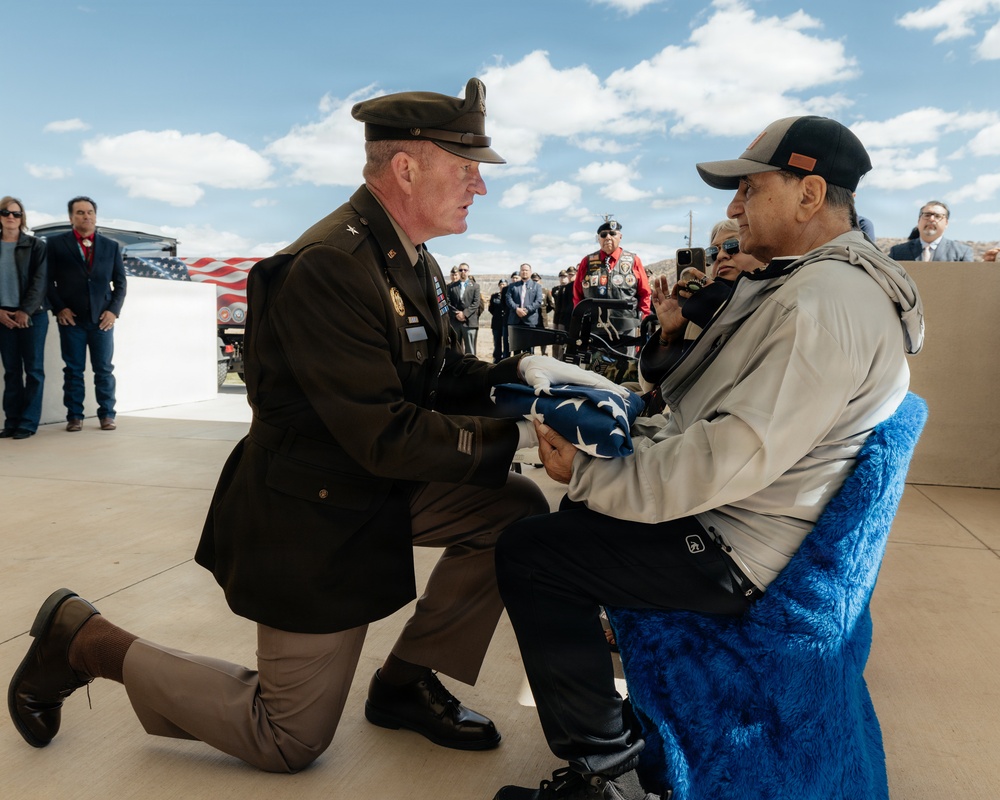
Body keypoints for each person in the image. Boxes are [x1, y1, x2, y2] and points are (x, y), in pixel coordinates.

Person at [7, 78, 628, 775]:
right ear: (406, 168)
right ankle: (82, 639)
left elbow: (434, 371)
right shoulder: (333, 265)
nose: (479, 186)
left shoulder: (406, 254)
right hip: (315, 511)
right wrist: (525, 435)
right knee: (287, 738)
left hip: (372, 484)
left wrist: (518, 375)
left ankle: (404, 683)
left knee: (511, 509)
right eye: (466, 169)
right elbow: (382, 433)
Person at [491, 115, 924, 800]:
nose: (735, 208)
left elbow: (730, 458)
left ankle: (604, 767)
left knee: (533, 554)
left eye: (750, 189)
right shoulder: (815, 285)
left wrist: (591, 471)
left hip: (739, 542)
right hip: (755, 515)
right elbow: (717, 418)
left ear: (810, 195)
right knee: (567, 529)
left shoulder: (823, 302)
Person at [46, 196, 126, 431]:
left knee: (104, 370)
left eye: (90, 212)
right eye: (80, 212)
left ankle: (107, 415)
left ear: (95, 216)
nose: (86, 216)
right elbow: (47, 281)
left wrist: (113, 311)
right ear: (71, 217)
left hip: (102, 320)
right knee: (73, 371)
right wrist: (60, 308)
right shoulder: (55, 244)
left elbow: (120, 283)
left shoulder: (111, 246)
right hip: (71, 320)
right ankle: (74, 416)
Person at [0, 196, 48, 440]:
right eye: (6, 212)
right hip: (3, 316)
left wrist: (25, 311)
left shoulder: (35, 245)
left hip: (32, 316)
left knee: (34, 370)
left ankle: (28, 423)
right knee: (11, 371)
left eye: (16, 213)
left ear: (22, 217)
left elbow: (41, 281)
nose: (11, 217)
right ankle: (12, 422)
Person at [572, 219, 650, 336]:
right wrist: (579, 319)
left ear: (620, 237)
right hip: (593, 327)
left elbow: (645, 293)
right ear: (598, 238)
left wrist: (643, 320)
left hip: (626, 327)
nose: (608, 237)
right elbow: (577, 295)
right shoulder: (587, 262)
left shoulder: (633, 261)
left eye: (612, 234)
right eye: (603, 235)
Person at [888, 201, 973, 262]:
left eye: (938, 216)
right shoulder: (897, 252)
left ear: (946, 223)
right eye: (927, 215)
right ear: (918, 221)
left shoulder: (961, 253)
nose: (931, 219)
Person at [507, 262, 544, 353]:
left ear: (530, 272)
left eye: (526, 270)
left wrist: (527, 310)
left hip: (529, 321)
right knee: (516, 349)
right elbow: (508, 299)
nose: (524, 272)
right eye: (522, 270)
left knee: (529, 349)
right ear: (520, 272)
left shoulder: (537, 286)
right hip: (515, 320)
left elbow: (538, 301)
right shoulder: (512, 286)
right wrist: (517, 309)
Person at [447, 262, 481, 355]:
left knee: (470, 351)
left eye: (465, 270)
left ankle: (471, 365)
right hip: (455, 322)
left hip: (469, 322)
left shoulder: (475, 286)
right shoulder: (451, 287)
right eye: (461, 270)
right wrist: (456, 313)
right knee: (456, 351)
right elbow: (447, 302)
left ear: (468, 271)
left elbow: (476, 303)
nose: (463, 272)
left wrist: (464, 314)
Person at [549, 268, 575, 360]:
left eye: (572, 274)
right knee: (557, 341)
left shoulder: (574, 287)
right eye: (569, 274)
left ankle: (561, 359)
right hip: (560, 318)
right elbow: (557, 306)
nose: (569, 276)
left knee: (564, 343)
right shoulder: (559, 289)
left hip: (569, 318)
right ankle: (556, 359)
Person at [488, 278, 510, 362]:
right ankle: (497, 358)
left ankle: (506, 358)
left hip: (506, 322)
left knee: (506, 342)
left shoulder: (509, 295)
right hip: (496, 322)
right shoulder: (494, 296)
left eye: (504, 284)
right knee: (497, 341)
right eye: (501, 284)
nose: (502, 286)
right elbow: (491, 308)